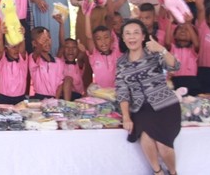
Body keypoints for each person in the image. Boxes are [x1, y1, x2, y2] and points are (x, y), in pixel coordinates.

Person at [117, 19, 181, 175]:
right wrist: (126, 116)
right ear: (123, 38)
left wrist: (161, 49)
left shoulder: (153, 54)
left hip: (165, 105)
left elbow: (175, 66)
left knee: (163, 146)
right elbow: (122, 91)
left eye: (136, 33)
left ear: (143, 36)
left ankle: (173, 172)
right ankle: (157, 172)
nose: (132, 37)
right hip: (141, 109)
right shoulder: (121, 63)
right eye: (128, 34)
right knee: (145, 137)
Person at [79, 9, 122, 88]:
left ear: (111, 39)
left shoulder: (116, 52)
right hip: (101, 95)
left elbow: (110, 19)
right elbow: (88, 36)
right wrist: (87, 14)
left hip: (118, 93)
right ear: (95, 42)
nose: (103, 41)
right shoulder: (94, 55)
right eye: (99, 39)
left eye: (106, 37)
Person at [0, 21, 28, 105]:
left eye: (17, 46)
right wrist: (0, 34)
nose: (16, 50)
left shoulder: (22, 61)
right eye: (13, 47)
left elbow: (22, 50)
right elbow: (0, 50)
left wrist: (22, 35)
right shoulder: (2, 62)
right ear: (6, 49)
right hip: (4, 98)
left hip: (20, 98)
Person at [29, 27, 66, 99]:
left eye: (48, 38)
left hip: (54, 99)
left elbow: (60, 84)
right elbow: (36, 52)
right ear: (34, 43)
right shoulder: (34, 59)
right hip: (39, 98)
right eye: (43, 39)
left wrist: (55, 100)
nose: (47, 41)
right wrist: (40, 44)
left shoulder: (58, 62)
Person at [164, 20, 200, 95]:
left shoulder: (193, 50)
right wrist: (170, 21)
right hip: (174, 80)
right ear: (174, 35)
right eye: (180, 28)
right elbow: (167, 42)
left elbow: (196, 43)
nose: (183, 30)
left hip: (191, 81)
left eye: (187, 29)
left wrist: (188, 23)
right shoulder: (172, 48)